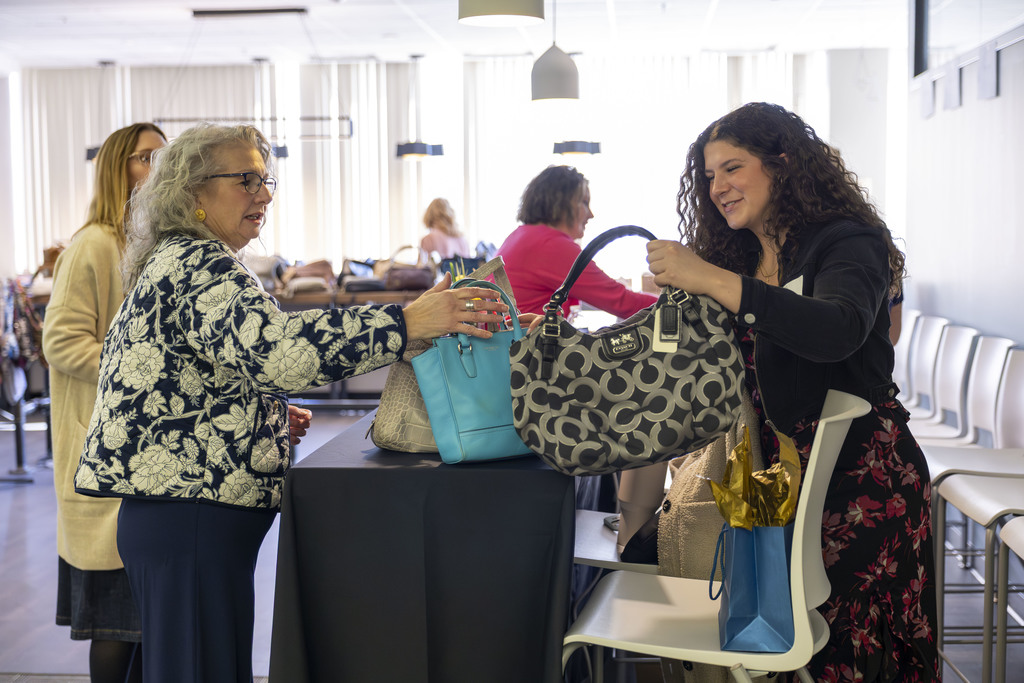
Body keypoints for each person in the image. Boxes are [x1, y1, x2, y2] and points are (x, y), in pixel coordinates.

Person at [72, 123, 513, 683]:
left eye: (267, 178)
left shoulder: (183, 259)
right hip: (190, 517)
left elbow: (187, 376)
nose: (264, 192)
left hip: (183, 514)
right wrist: (403, 324)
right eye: (245, 179)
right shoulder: (196, 265)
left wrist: (257, 414)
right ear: (192, 193)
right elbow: (278, 353)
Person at [646, 102, 939, 681]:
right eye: (708, 177)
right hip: (770, 475)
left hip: (858, 478)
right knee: (739, 614)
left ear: (782, 162)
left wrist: (711, 279)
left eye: (732, 168)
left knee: (844, 651)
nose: (717, 187)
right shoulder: (742, 258)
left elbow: (836, 329)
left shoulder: (847, 241)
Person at [43, 122, 167, 683]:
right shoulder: (93, 244)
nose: (157, 169)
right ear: (116, 168)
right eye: (145, 158)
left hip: (145, 457)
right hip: (102, 456)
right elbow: (62, 342)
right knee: (118, 626)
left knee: (145, 625)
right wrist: (140, 370)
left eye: (165, 158)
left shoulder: (153, 247)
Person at [497, 165, 657, 318]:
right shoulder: (551, 246)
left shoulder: (522, 236)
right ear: (561, 203)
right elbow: (622, 302)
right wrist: (677, 305)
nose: (591, 214)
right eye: (585, 203)